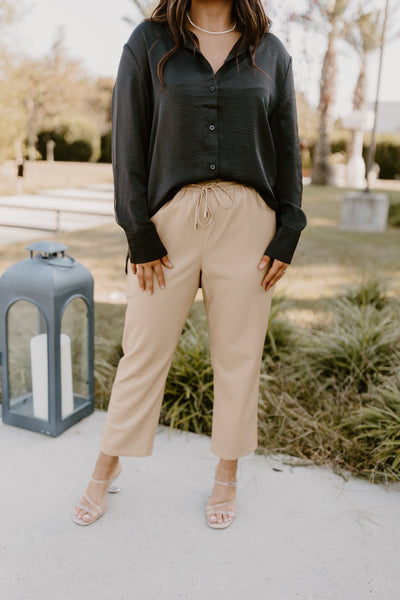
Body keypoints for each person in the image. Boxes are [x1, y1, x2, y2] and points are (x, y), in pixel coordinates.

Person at [72, 0, 306, 529]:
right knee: (142, 352)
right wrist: (138, 230)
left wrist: (289, 229)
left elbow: (287, 147)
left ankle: (227, 476)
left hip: (249, 226)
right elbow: (128, 141)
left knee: (239, 356)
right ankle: (105, 468)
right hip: (169, 227)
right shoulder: (149, 42)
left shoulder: (271, 52)